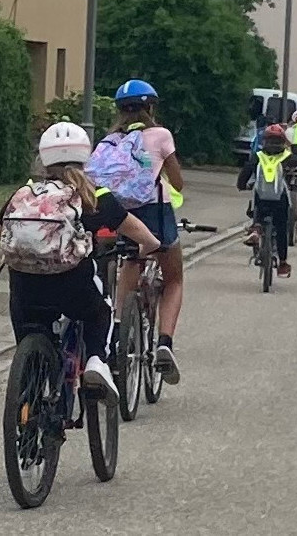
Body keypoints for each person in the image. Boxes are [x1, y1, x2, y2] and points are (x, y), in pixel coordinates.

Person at [0, 121, 161, 405]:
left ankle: (27, 402)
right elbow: (134, 229)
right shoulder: (94, 195)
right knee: (101, 311)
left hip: (25, 288)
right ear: (85, 156)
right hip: (72, 286)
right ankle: (97, 361)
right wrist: (151, 246)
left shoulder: (25, 193)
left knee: (32, 335)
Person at [87, 79, 185, 385]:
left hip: (118, 214)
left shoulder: (109, 139)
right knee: (174, 279)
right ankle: (165, 343)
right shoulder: (160, 135)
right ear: (151, 107)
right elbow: (177, 181)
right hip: (154, 212)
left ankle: (118, 328)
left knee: (131, 260)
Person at [238, 125, 297, 278]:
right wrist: (293, 146)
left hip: (261, 199)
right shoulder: (287, 156)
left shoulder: (258, 156)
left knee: (257, 209)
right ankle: (282, 263)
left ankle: (256, 228)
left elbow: (246, 171)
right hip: (280, 199)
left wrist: (241, 185)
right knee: (281, 229)